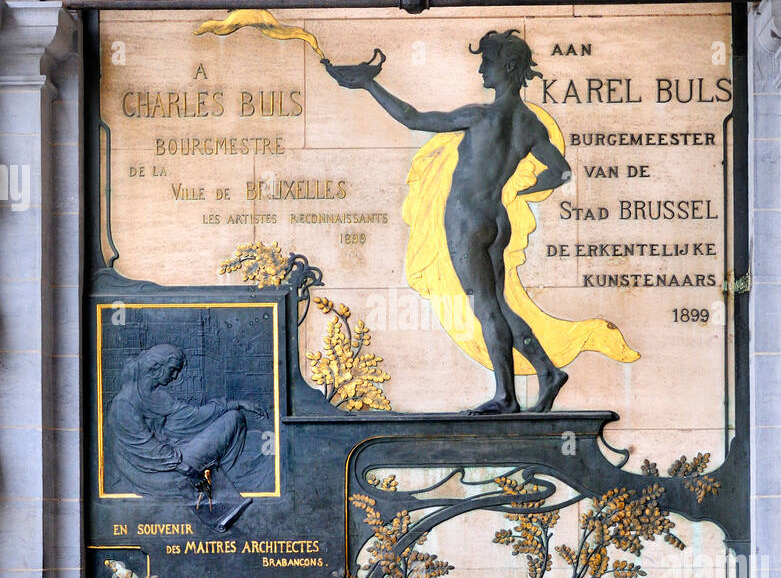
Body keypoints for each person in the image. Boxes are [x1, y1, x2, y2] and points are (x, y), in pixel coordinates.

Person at [324, 30, 573, 413]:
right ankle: (547, 372)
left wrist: (369, 84)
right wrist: (522, 191)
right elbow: (560, 172)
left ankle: (506, 397)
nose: (480, 69)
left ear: (507, 67)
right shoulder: (530, 126)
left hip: (467, 219)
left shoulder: (480, 117)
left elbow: (412, 118)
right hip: (496, 218)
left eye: (487, 63)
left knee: (486, 307)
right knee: (498, 305)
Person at [107, 344, 265, 528]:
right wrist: (189, 471)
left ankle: (220, 485)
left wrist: (235, 403)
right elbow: (150, 450)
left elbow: (194, 417)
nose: (175, 377)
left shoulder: (158, 396)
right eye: (173, 370)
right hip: (154, 472)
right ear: (157, 367)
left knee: (233, 417)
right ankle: (217, 496)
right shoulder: (124, 405)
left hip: (170, 456)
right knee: (233, 422)